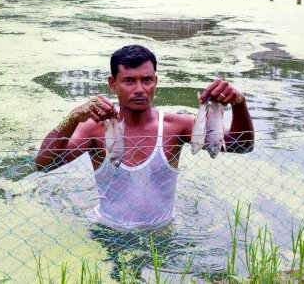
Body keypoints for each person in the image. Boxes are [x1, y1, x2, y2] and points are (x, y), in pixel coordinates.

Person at [35, 45, 254, 230]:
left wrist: (239, 103)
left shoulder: (176, 126)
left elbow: (242, 146)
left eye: (147, 80)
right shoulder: (94, 129)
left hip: (163, 232)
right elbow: (43, 164)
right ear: (113, 84)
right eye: (129, 80)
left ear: (156, 81)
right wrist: (72, 118)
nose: (140, 89)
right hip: (107, 230)